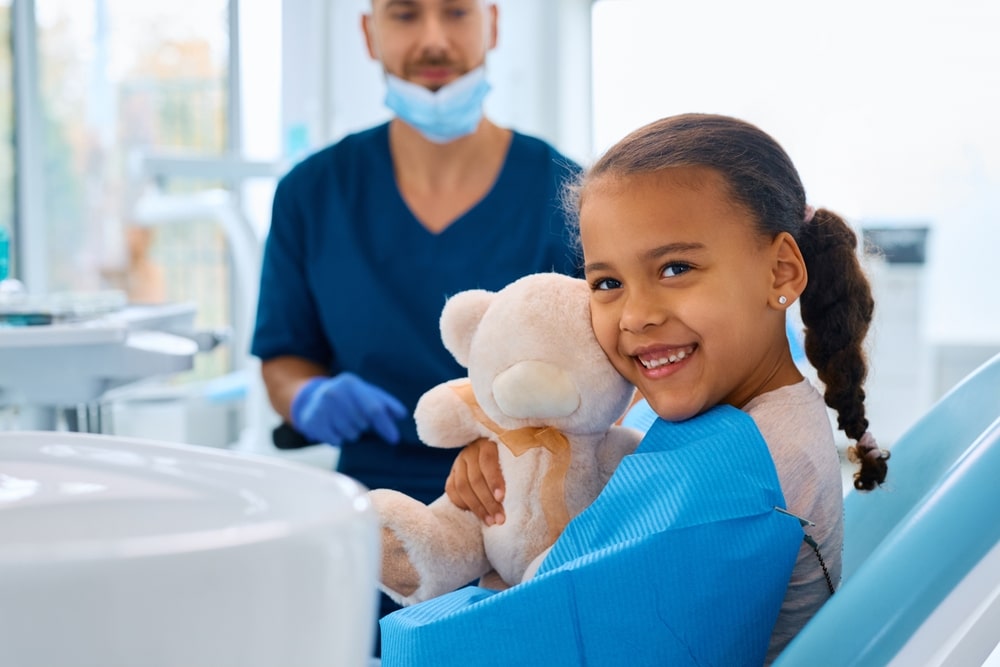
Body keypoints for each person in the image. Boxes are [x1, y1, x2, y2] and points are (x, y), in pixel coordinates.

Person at [445, 113, 890, 664]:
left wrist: (491, 568)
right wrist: (517, 474)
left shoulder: (743, 475)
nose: (636, 315)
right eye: (607, 283)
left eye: (676, 268)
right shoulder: (744, 413)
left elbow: (543, 639)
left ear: (779, 271)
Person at [250, 0, 581, 655]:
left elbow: (605, 368)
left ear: (492, 24)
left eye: (455, 12)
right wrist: (309, 396)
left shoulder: (566, 191)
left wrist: (520, 439)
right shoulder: (312, 194)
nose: (433, 39)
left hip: (523, 512)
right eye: (404, 14)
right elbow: (283, 356)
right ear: (369, 33)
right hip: (368, 524)